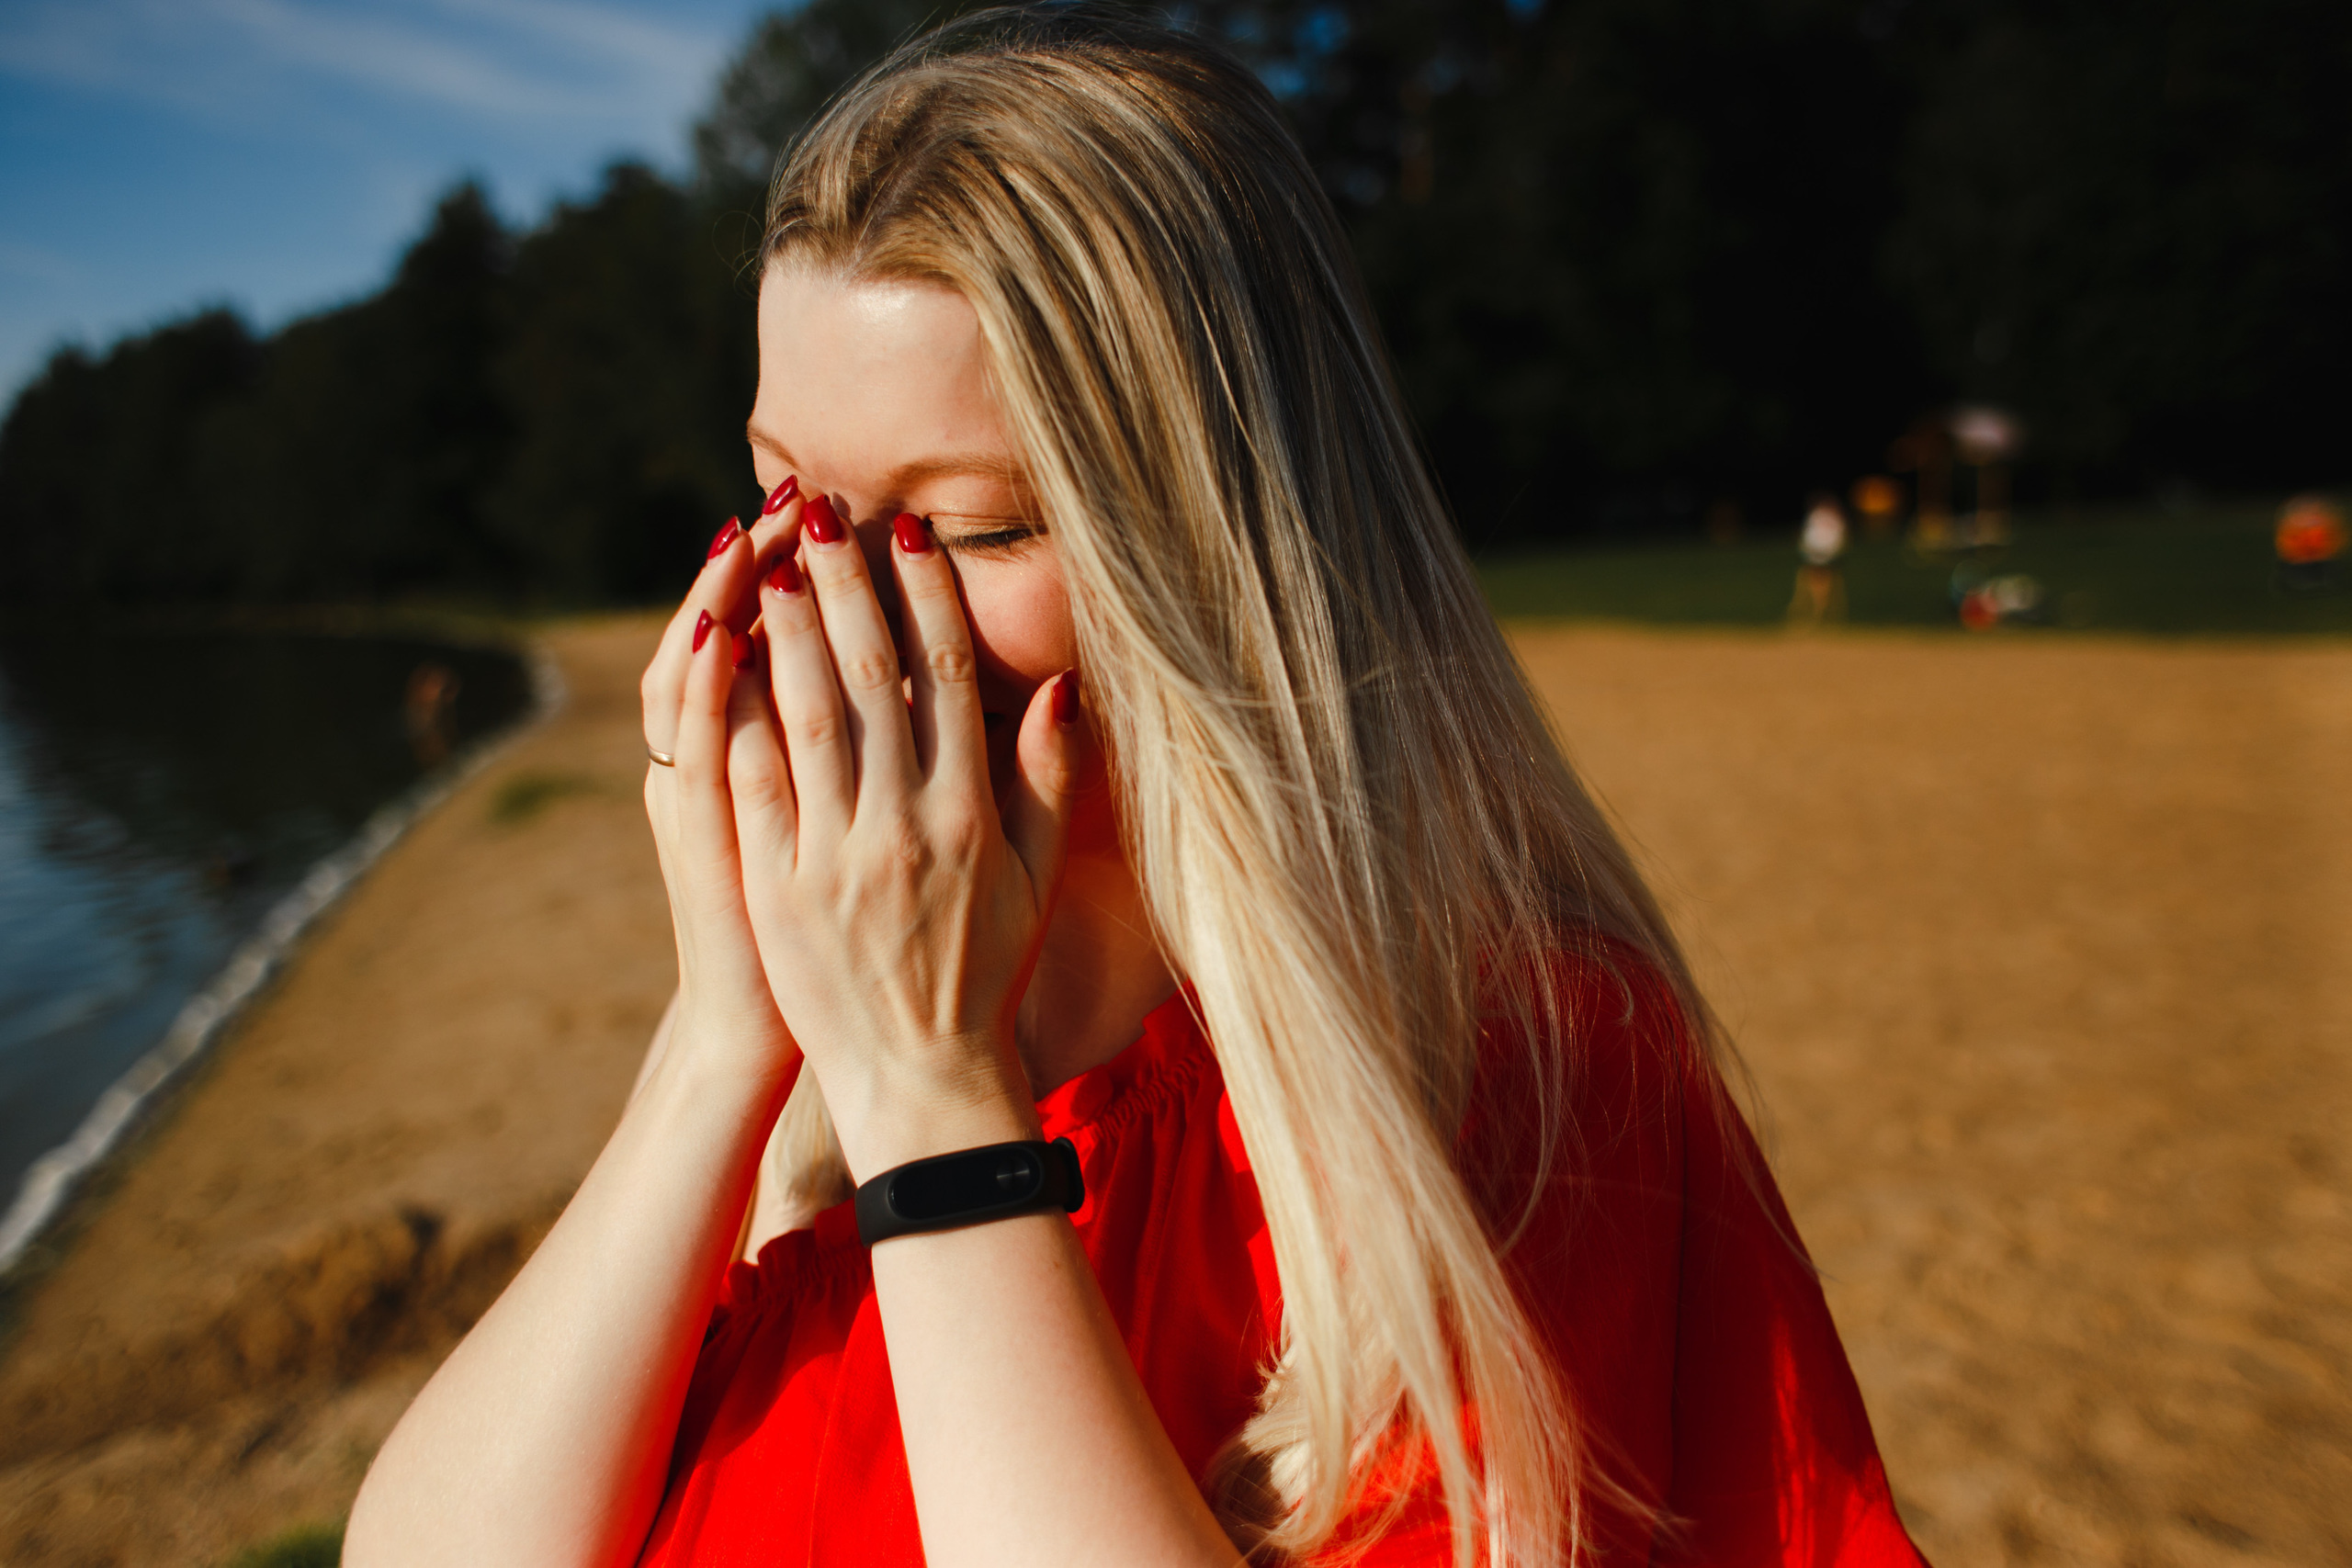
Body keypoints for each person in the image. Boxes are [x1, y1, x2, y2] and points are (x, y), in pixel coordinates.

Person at [345, 9, 1927, 1565]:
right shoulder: (797, 1111)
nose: (833, 608)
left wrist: (933, 1109)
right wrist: (724, 1036)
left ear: (1220, 553)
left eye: (967, 533)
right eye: (787, 500)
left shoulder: (1529, 1075)